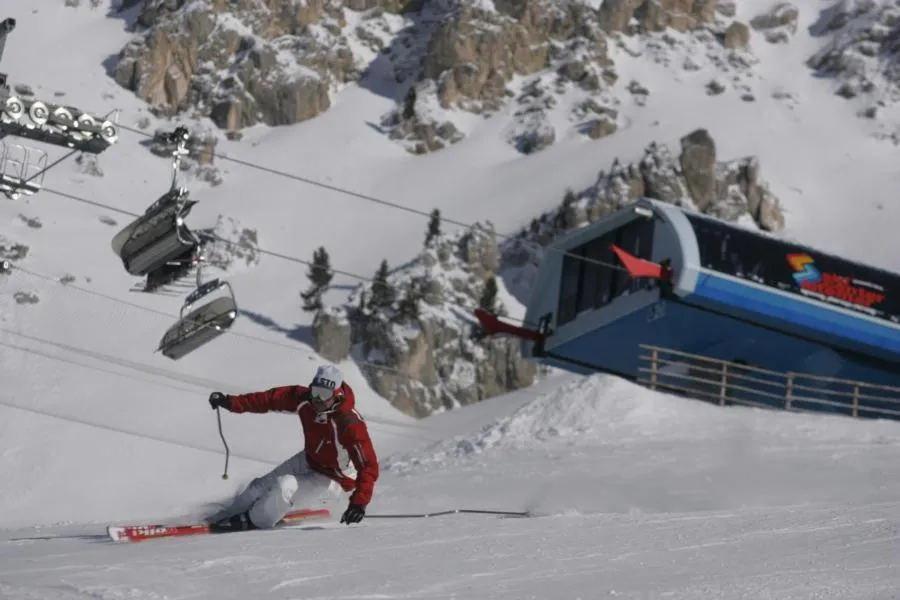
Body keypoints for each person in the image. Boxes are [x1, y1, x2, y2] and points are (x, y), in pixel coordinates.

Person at [206, 364, 379, 530]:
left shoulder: (349, 423)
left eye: (324, 395)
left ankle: (254, 520)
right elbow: (269, 399)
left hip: (335, 479)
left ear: (337, 395)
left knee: (284, 486)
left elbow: (368, 466)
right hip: (310, 459)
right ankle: (224, 517)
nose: (317, 399)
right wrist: (231, 402)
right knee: (257, 487)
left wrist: (359, 502)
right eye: (315, 392)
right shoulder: (305, 400)